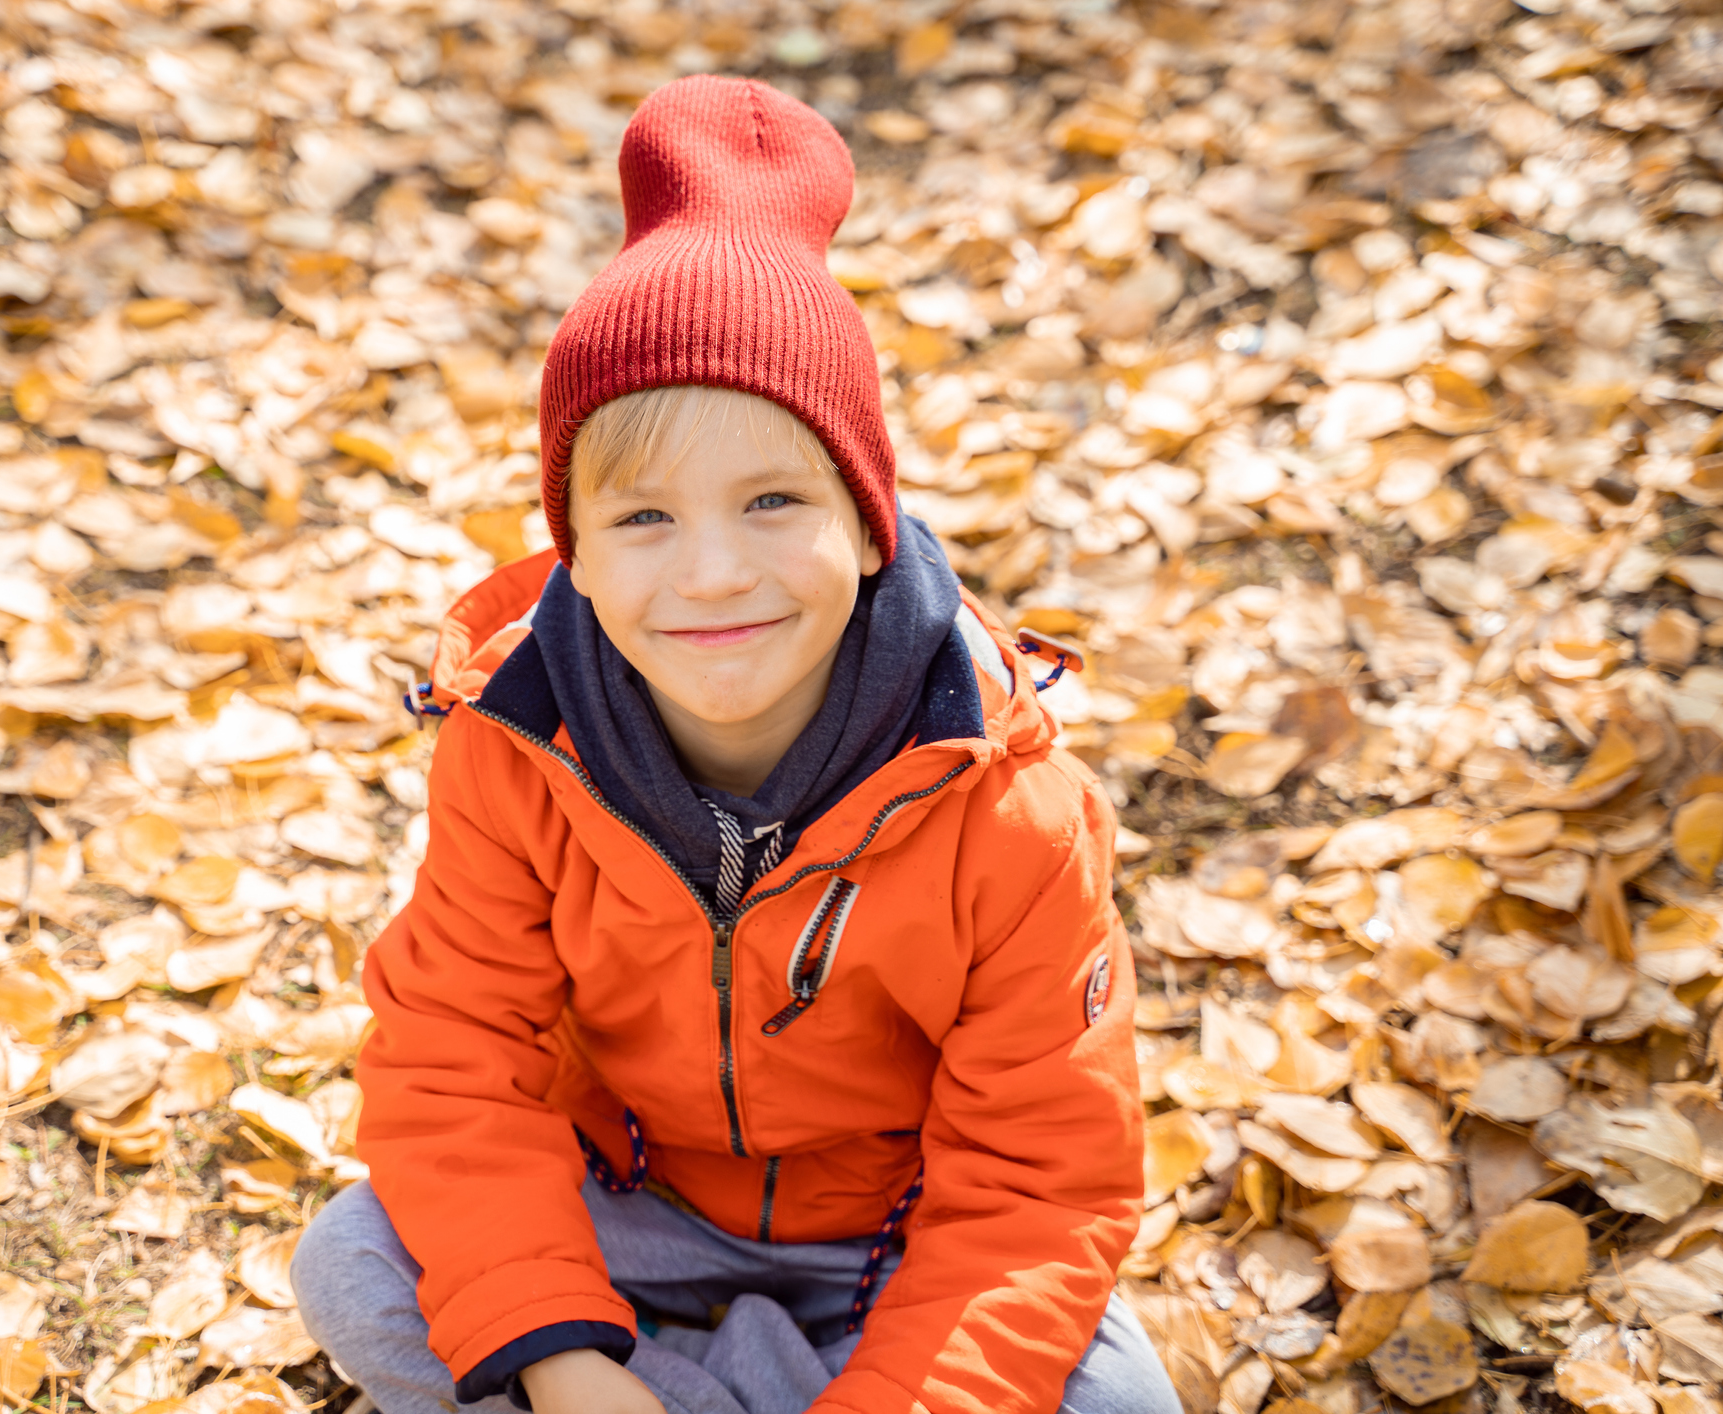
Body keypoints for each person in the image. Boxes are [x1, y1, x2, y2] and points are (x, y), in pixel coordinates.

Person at [292, 75, 1175, 1414]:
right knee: (354, 1261)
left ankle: (756, 1383)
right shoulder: (516, 747)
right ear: (572, 550)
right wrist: (563, 1358)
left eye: (772, 498)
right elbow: (453, 1055)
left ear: (867, 524)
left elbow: (1036, 1178)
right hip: (631, 1214)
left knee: (1121, 1404)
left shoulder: (1009, 808)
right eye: (642, 518)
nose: (710, 573)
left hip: (893, 1247)